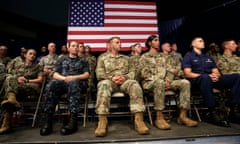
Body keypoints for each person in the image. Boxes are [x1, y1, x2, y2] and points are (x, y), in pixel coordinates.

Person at [95, 36, 149, 137]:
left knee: (134, 84)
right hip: (110, 82)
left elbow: (132, 72)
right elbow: (99, 73)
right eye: (117, 42)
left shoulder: (126, 58)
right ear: (110, 45)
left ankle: (139, 120)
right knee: (103, 85)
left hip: (124, 82)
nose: (120, 44)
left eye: (120, 42)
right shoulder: (102, 58)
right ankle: (102, 122)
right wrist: (112, 78)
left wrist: (124, 77)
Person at [182, 37, 240, 127]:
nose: (203, 42)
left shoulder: (208, 57)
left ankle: (234, 109)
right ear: (193, 44)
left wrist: (216, 75)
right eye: (200, 41)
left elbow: (215, 70)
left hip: (211, 79)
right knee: (205, 78)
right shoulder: (189, 57)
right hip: (196, 81)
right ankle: (212, 112)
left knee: (237, 77)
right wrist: (204, 76)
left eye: (203, 41)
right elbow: (187, 73)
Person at [40, 41, 89, 136]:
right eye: (73, 46)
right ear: (69, 48)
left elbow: (86, 74)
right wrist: (65, 78)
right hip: (64, 81)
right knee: (51, 85)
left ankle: (72, 122)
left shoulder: (83, 60)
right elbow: (54, 74)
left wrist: (73, 78)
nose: (75, 48)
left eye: (77, 46)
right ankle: (48, 122)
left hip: (78, 83)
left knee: (73, 83)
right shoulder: (61, 59)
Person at [0, 49, 43, 134]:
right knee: (10, 96)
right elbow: (8, 74)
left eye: (34, 54)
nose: (32, 56)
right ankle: (6, 124)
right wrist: (17, 78)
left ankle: (6, 123)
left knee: (8, 90)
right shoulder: (17, 64)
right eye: (30, 54)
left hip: (29, 86)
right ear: (25, 55)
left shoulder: (38, 67)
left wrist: (27, 81)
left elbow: (40, 80)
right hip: (16, 86)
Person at [217, 39, 240, 124]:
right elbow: (226, 72)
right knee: (238, 77)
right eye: (233, 44)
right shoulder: (221, 59)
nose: (236, 45)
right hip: (228, 81)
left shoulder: (237, 58)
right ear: (226, 46)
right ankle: (234, 108)